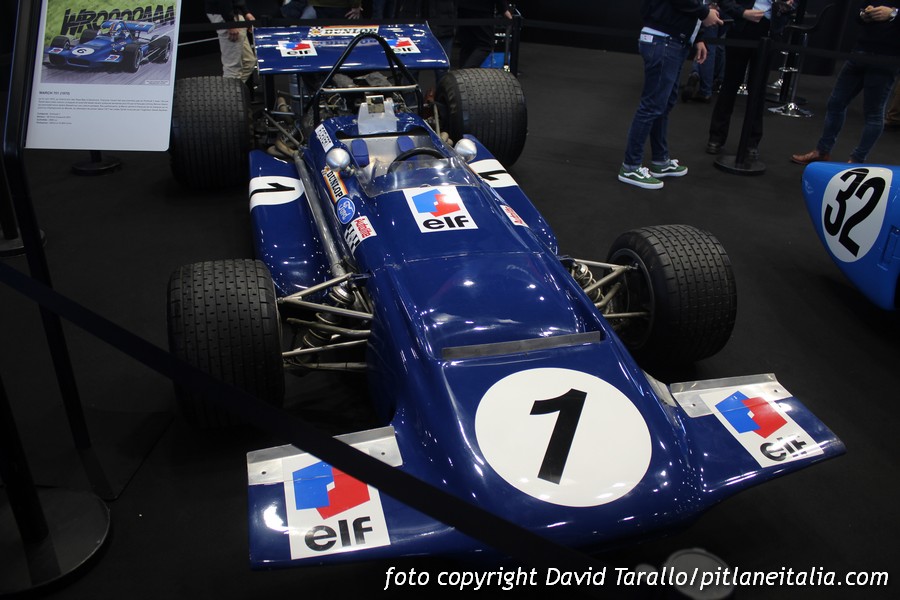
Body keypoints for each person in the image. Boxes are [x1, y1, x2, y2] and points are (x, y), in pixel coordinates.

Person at [618, 1, 723, 190]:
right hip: (664, 40)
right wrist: (704, 13)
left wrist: (698, 37)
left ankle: (660, 160)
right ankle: (630, 166)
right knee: (652, 106)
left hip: (673, 40)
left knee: (663, 105)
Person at [791, 2, 900, 164]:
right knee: (835, 103)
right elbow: (858, 13)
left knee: (873, 113)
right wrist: (864, 14)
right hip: (859, 51)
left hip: (887, 57)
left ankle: (856, 160)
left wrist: (893, 14)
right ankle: (822, 151)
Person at [705, 1, 788, 160]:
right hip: (742, 26)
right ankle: (716, 137)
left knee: (758, 88)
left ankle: (752, 142)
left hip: (770, 30)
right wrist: (742, 12)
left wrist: (787, 5)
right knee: (729, 84)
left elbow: (793, 5)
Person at [205, 0, 256, 83]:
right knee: (233, 69)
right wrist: (230, 22)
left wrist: (245, 11)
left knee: (248, 62)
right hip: (226, 15)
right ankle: (228, 90)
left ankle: (232, 90)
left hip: (234, 13)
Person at [455, 0, 512, 69]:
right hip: (482, 8)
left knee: (468, 45)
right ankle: (465, 71)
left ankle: (462, 72)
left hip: (462, 7)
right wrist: (503, 9)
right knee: (485, 44)